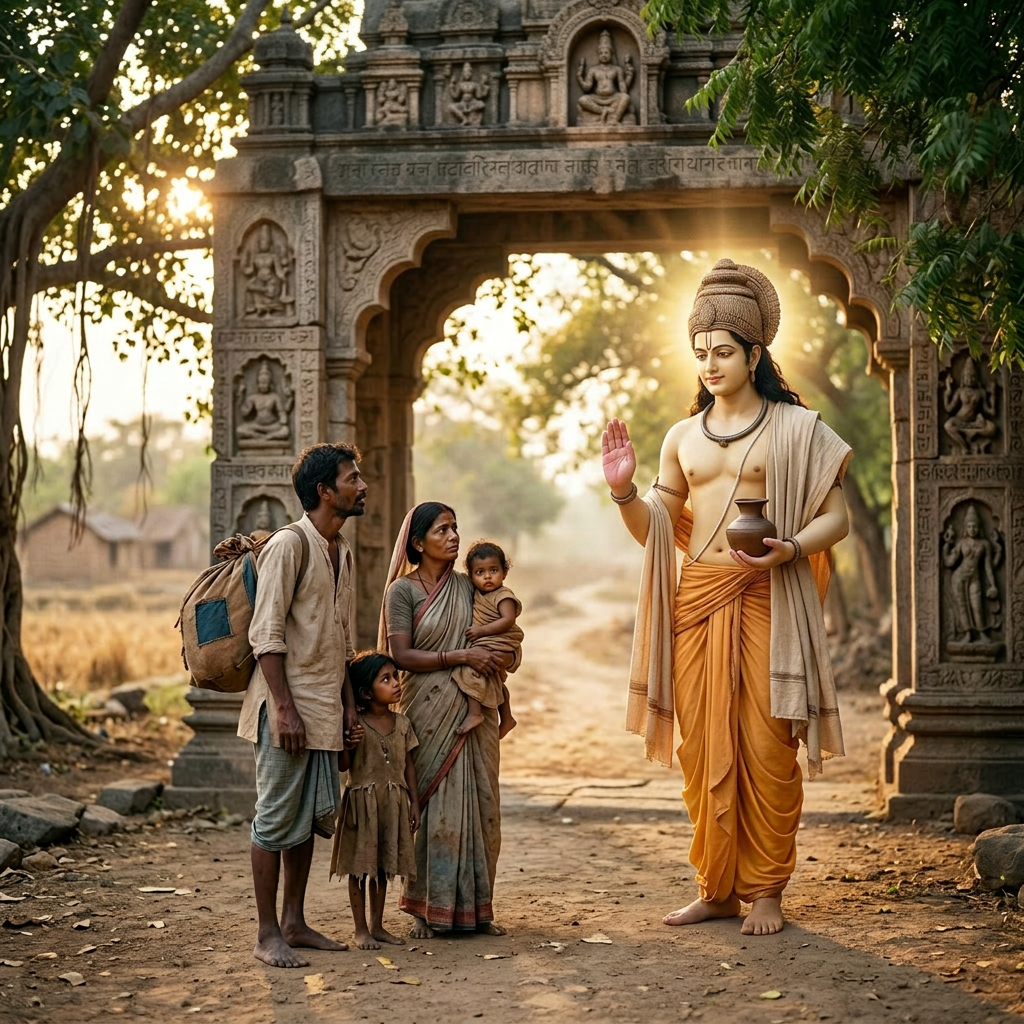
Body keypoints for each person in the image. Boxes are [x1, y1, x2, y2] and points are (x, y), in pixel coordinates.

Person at [602, 258, 852, 936]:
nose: (710, 364)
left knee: (769, 747)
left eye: (722, 352)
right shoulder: (681, 437)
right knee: (701, 750)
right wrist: (625, 490)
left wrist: (792, 549)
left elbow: (839, 519)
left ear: (754, 352)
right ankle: (716, 887)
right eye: (701, 353)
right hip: (698, 602)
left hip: (767, 595)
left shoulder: (795, 427)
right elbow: (656, 532)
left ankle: (766, 889)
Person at [237, 441, 367, 968]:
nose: (362, 486)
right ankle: (267, 933)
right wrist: (285, 709)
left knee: (307, 819)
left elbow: (340, 640)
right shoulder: (290, 545)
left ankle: (294, 920)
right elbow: (265, 634)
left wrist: (350, 707)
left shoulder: (343, 552)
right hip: (285, 710)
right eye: (352, 478)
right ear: (324, 491)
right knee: (274, 820)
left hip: (323, 707)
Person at [380, 502, 517, 937]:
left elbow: (504, 628)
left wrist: (502, 654)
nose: (454, 536)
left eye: (455, 527)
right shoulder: (402, 592)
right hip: (427, 710)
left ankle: (479, 909)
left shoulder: (470, 586)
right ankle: (425, 907)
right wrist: (460, 655)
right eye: (442, 530)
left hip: (474, 709)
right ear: (418, 543)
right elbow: (401, 655)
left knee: (482, 807)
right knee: (433, 809)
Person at [330, 650, 420, 949]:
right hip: (362, 806)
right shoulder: (356, 725)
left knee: (382, 867)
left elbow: (408, 767)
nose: (396, 683)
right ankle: (360, 930)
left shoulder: (404, 724)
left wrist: (414, 804)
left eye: (395, 676)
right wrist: (346, 743)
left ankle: (378, 925)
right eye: (386, 679)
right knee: (359, 868)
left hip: (393, 803)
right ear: (366, 693)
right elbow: (344, 766)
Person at [452, 541, 523, 739]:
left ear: (504, 572)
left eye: (493, 570)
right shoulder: (476, 594)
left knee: (469, 670)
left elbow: (508, 620)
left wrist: (482, 631)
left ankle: (475, 714)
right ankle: (507, 718)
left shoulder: (503, 596)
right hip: (488, 642)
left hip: (499, 641)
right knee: (495, 682)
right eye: (480, 572)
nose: (488, 576)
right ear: (471, 576)